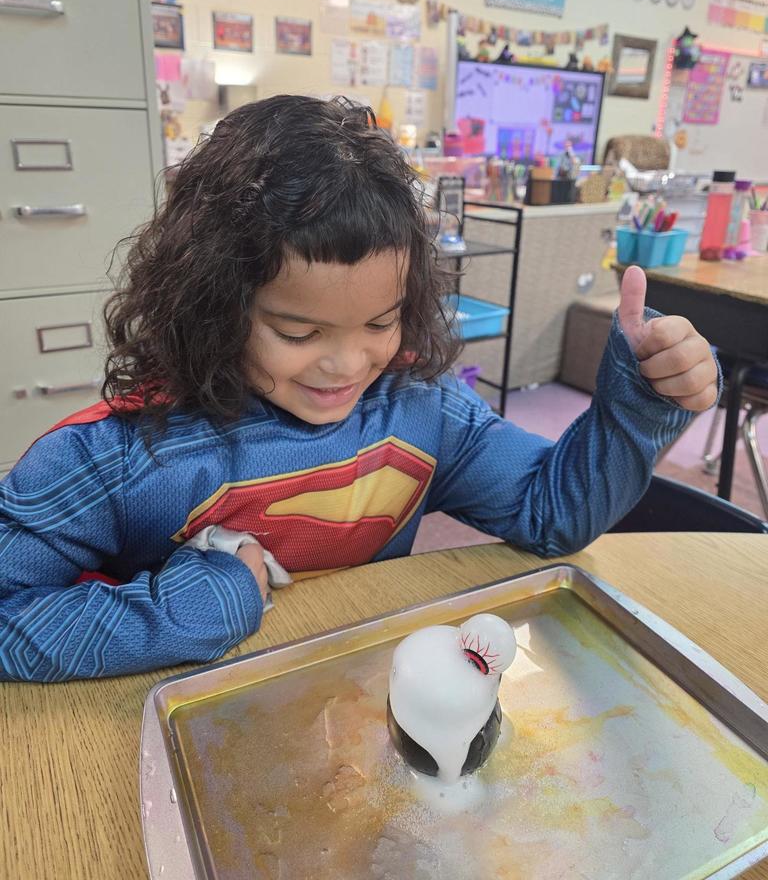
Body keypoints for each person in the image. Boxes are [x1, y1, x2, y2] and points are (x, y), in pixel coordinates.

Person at [0, 95, 718, 682]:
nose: (347, 366)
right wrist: (187, 608)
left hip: (359, 716)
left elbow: (555, 514)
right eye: (298, 333)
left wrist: (641, 399)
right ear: (213, 303)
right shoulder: (119, 455)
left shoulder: (420, 407)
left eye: (380, 322)